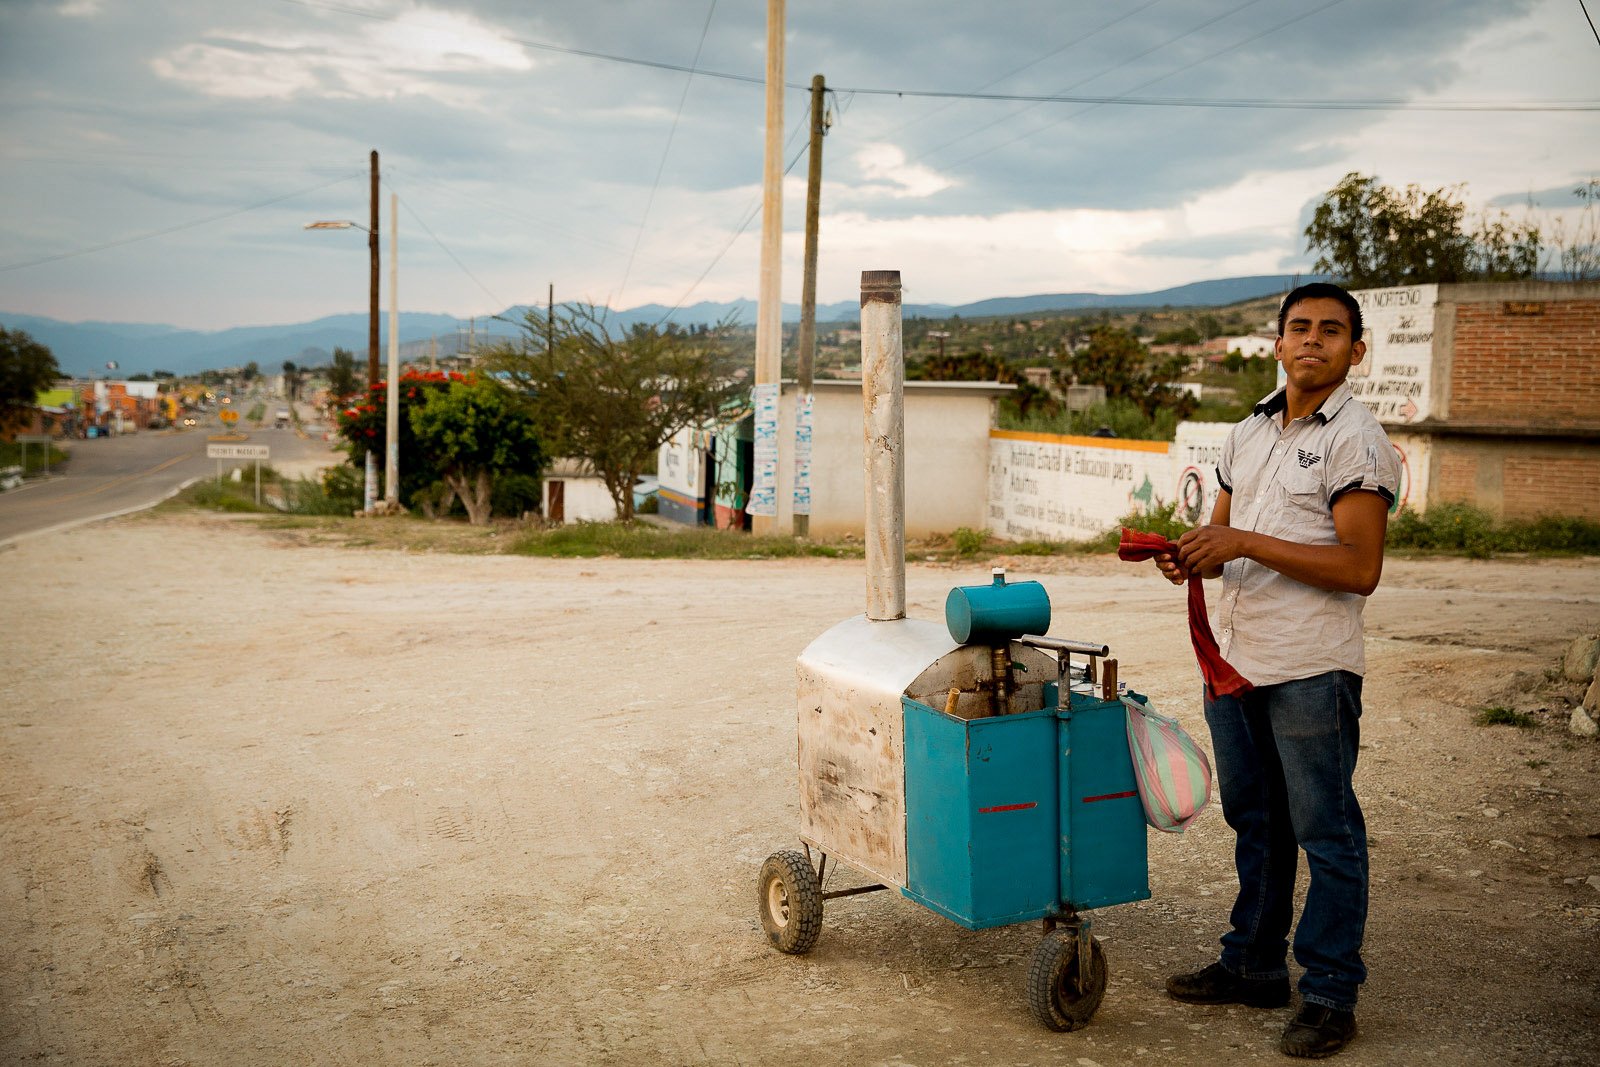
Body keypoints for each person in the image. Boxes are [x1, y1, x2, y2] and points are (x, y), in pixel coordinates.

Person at [1154, 282, 1400, 1059]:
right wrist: (1192, 552)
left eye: (1333, 331)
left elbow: (1360, 567)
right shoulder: (1248, 431)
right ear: (1278, 342)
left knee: (1325, 827)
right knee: (1256, 820)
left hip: (1309, 666)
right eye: (1300, 327)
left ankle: (1329, 991)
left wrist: (1244, 544)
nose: (1314, 340)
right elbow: (1224, 535)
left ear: (1356, 351)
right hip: (1236, 657)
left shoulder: (1358, 440)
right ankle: (1254, 963)